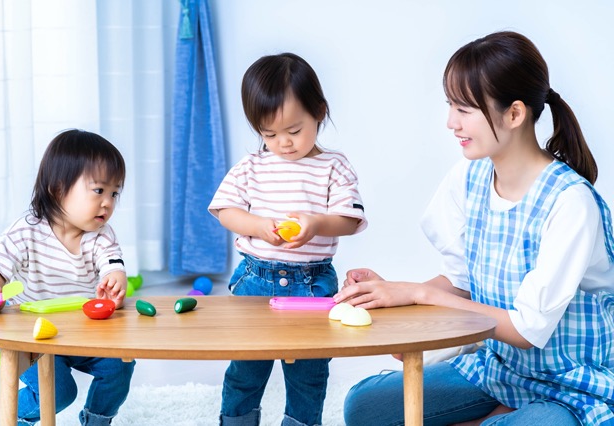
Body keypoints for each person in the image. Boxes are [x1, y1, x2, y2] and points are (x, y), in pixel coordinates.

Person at [335, 31, 614, 426]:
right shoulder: (469, 177)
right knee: (363, 406)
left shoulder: (571, 202)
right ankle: (500, 412)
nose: (451, 122)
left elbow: (526, 329)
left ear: (514, 114)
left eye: (464, 109)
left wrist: (418, 293)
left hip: (569, 386)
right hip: (498, 370)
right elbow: (462, 281)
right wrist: (395, 295)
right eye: (451, 105)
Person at [208, 52, 367, 426]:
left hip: (312, 284)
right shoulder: (252, 166)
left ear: (319, 112)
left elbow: (349, 219)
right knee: (246, 368)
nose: (284, 143)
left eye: (294, 131)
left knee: (309, 374)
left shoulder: (334, 165)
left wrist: (315, 223)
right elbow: (224, 210)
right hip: (255, 279)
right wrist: (259, 226)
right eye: (269, 134)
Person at [0, 129, 135, 426]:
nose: (108, 202)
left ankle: (96, 419)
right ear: (58, 188)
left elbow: (112, 264)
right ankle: (13, 409)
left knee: (120, 367)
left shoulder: (101, 236)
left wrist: (116, 279)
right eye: (99, 191)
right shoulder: (26, 230)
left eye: (115, 193)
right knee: (60, 392)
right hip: (31, 337)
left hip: (82, 333)